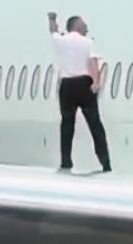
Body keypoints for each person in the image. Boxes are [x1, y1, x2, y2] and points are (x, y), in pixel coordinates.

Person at [47, 12, 112, 172]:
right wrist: (96, 83)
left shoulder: (60, 41)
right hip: (84, 84)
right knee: (95, 125)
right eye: (84, 25)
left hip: (67, 85)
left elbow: (53, 31)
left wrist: (52, 19)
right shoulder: (87, 42)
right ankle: (105, 163)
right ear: (76, 26)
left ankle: (66, 161)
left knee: (67, 124)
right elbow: (93, 62)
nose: (87, 28)